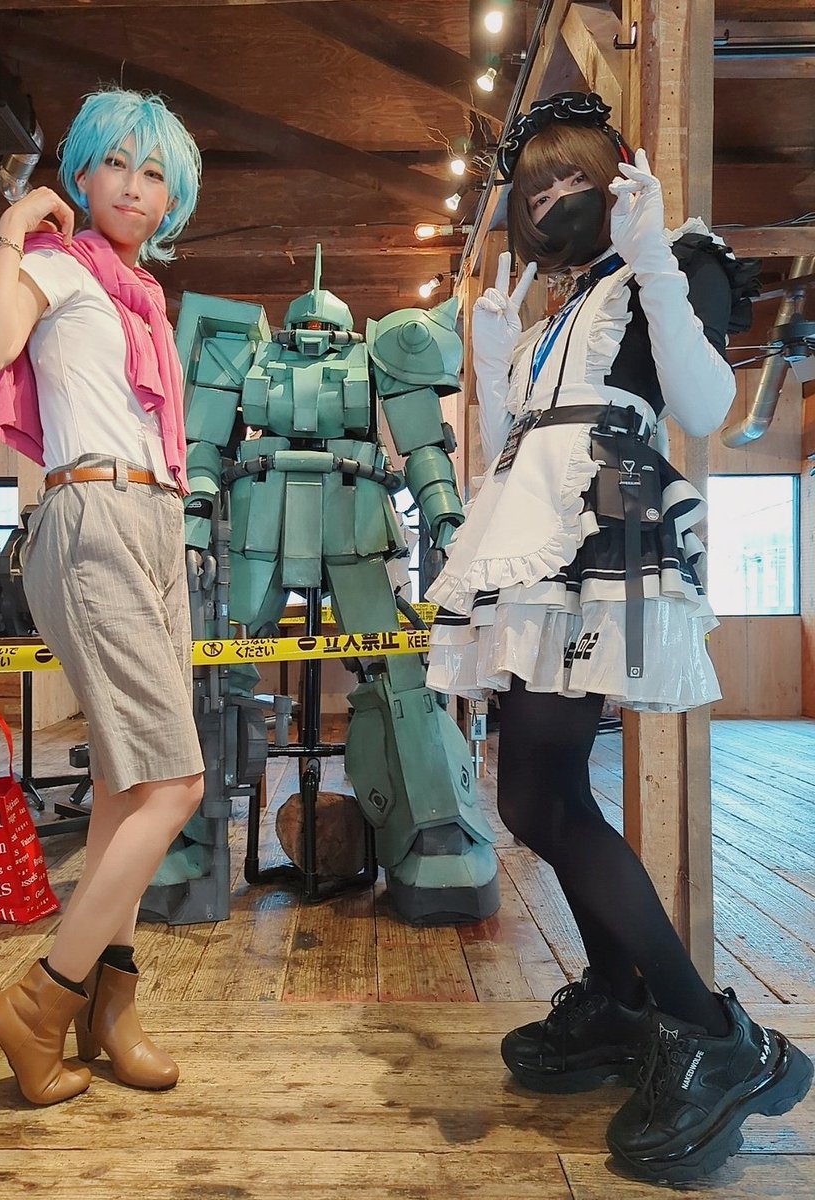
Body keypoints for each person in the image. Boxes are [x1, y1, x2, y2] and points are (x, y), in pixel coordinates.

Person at [427, 91, 812, 1183]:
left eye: (572, 175)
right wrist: (493, 357)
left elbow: (700, 404)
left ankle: (711, 1034)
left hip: (606, 533)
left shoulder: (674, 257)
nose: (554, 196)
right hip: (537, 538)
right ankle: (619, 999)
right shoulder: (557, 306)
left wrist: (653, 260)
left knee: (545, 793)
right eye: (536, 185)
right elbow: (515, 450)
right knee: (530, 796)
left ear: (613, 173)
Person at [0, 89, 204, 1105]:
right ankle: (41, 1003)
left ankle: (112, 1007)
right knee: (176, 786)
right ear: (83, 170)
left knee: (126, 787)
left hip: (156, 521)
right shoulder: (57, 264)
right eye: (117, 165)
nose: (134, 188)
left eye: (155, 174)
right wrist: (13, 225)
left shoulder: (144, 298)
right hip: (91, 515)